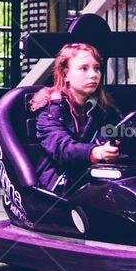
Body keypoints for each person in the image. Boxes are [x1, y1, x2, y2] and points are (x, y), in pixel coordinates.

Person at [31, 43, 121, 194]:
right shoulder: (50, 110)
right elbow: (62, 148)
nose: (93, 74)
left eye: (97, 68)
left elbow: (116, 132)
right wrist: (96, 152)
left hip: (94, 176)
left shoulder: (103, 108)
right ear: (65, 74)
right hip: (60, 183)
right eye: (84, 68)